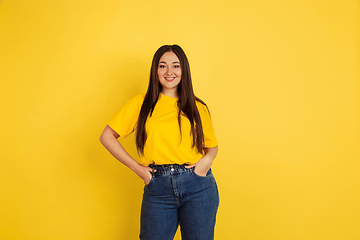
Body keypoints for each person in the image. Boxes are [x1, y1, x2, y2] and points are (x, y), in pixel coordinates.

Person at [99, 44, 219, 240]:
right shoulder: (142, 103)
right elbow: (106, 136)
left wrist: (207, 162)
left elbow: (211, 147)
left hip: (198, 187)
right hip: (158, 187)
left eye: (176, 66)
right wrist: (137, 168)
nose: (169, 72)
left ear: (184, 70)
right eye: (162, 66)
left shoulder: (198, 107)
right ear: (155, 70)